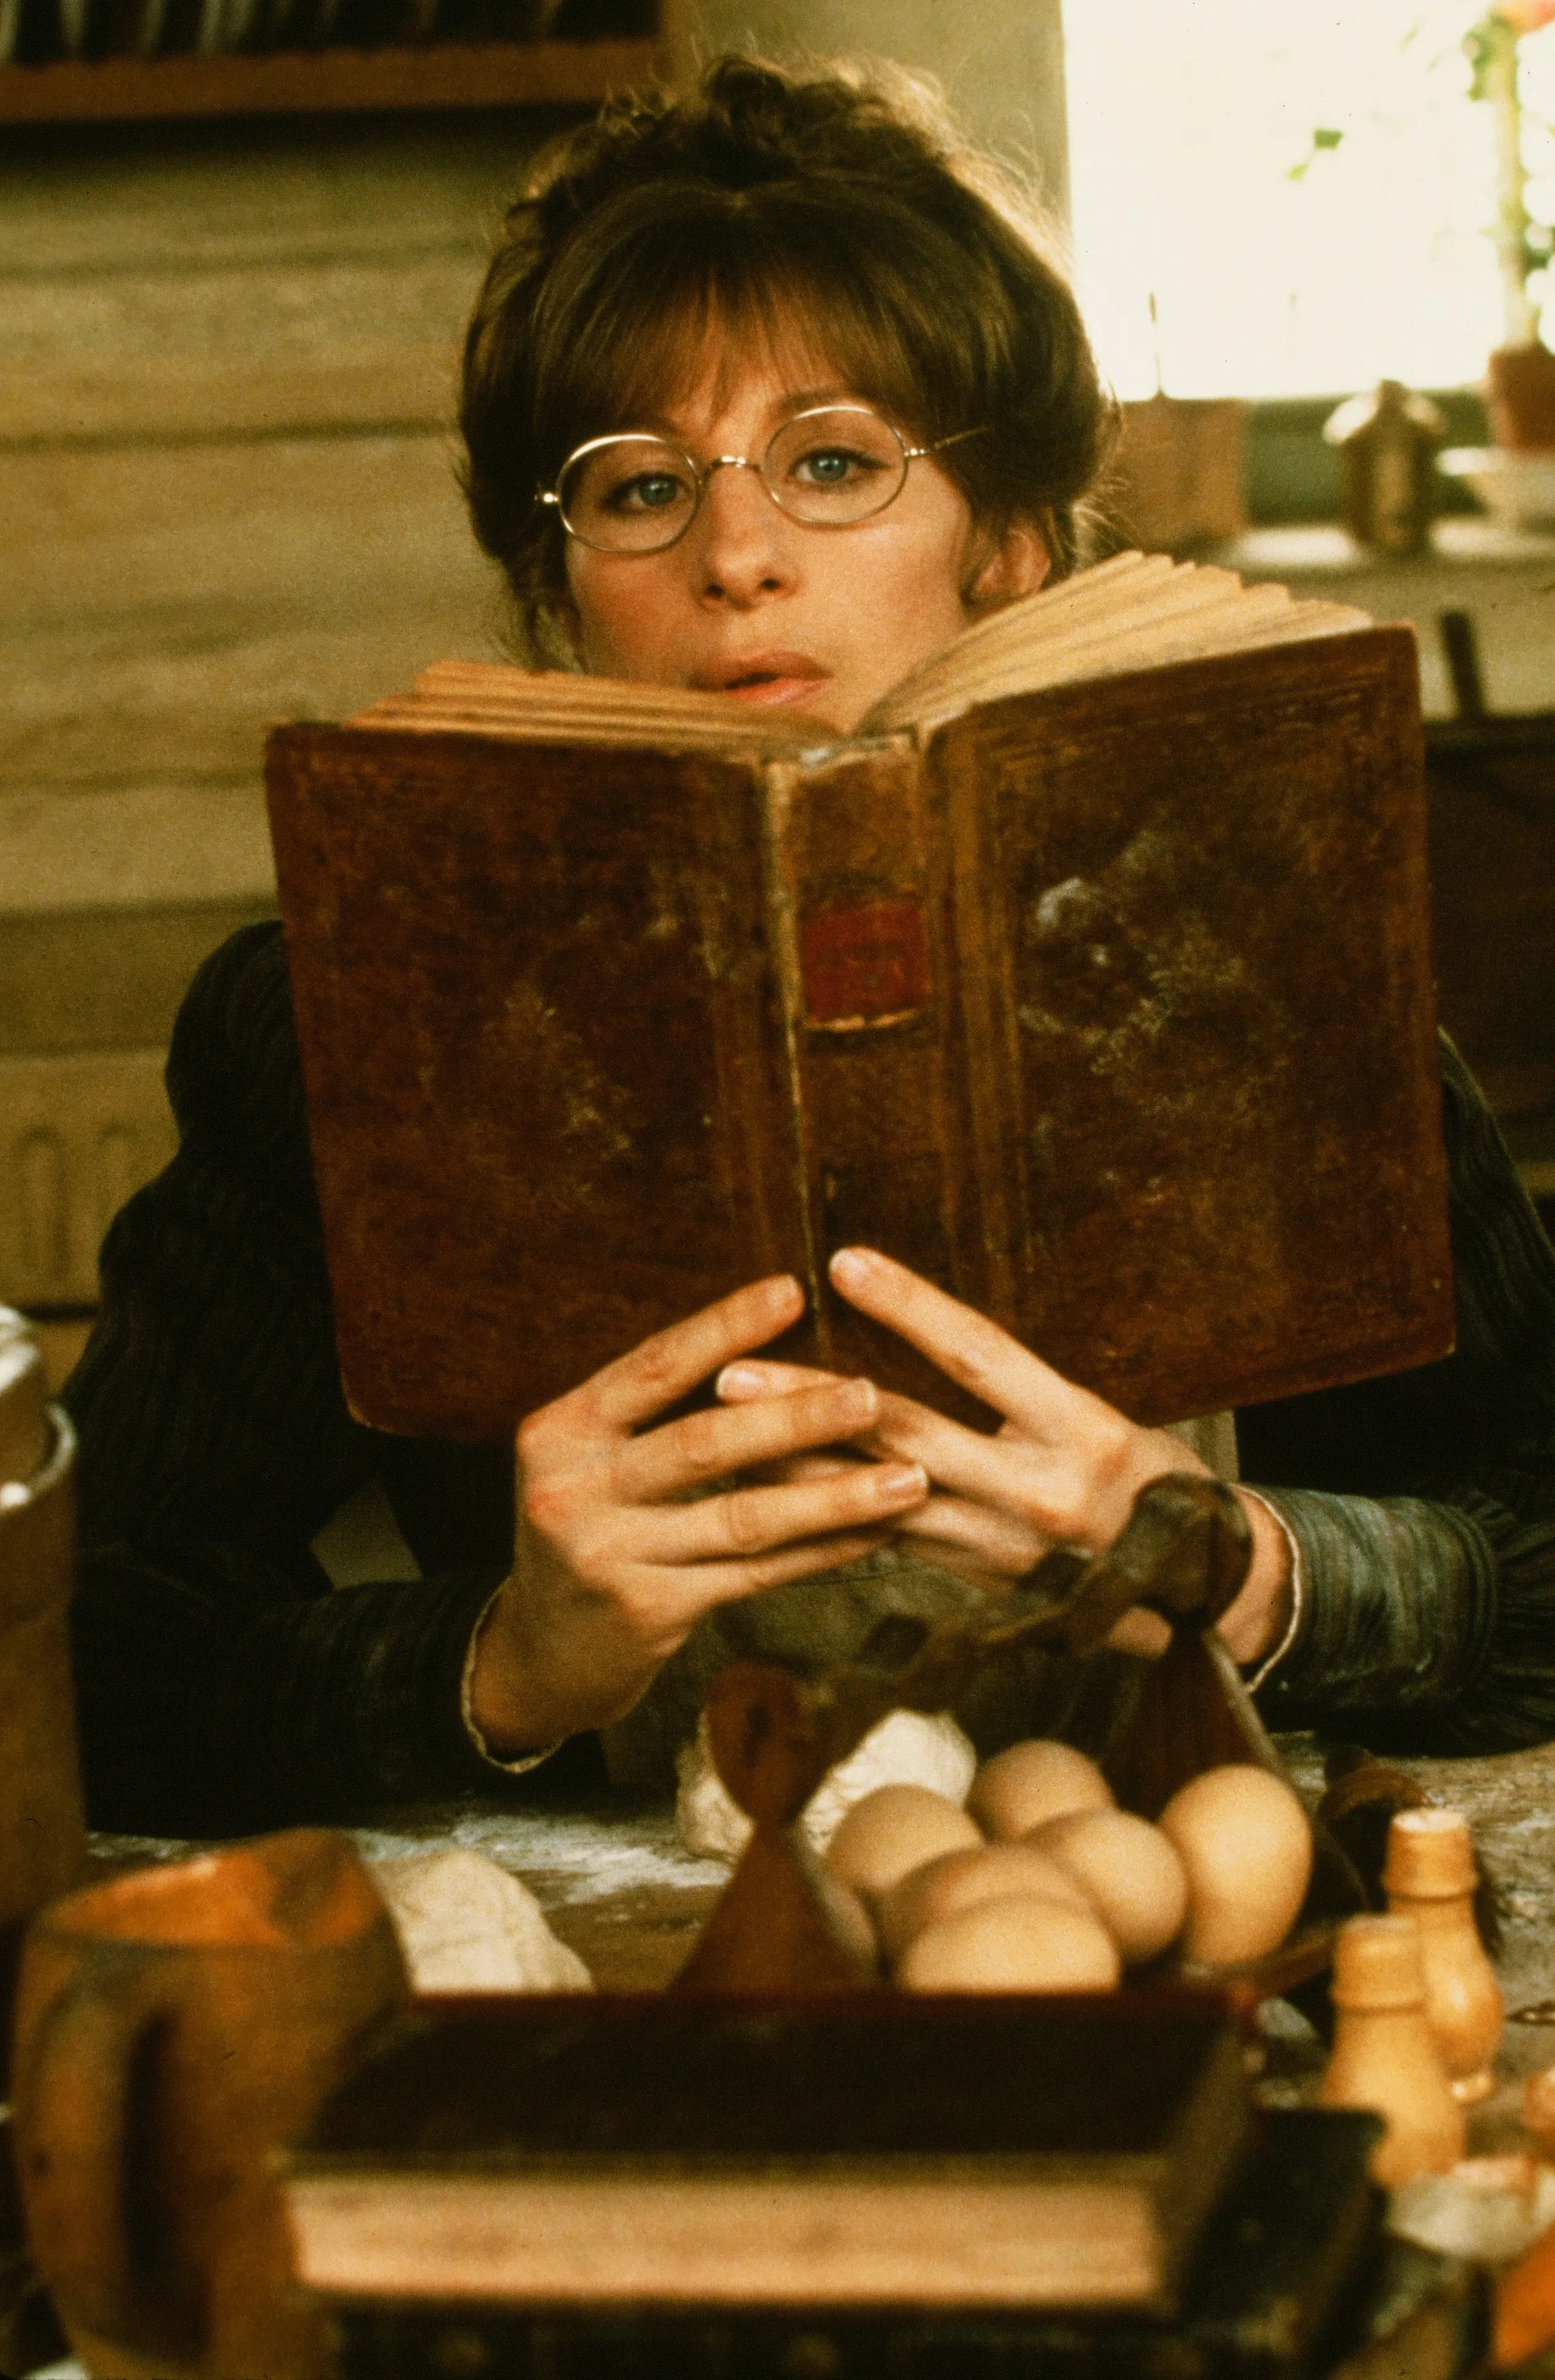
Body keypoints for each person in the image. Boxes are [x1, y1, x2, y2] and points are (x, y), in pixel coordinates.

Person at [64, 55, 1555, 1840]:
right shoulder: (337, 1014)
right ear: (561, 597)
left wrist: (1237, 1563)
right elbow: (97, 1647)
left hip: (1197, 1914)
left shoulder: (1277, 950)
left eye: (833, 461)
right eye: (638, 490)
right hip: (667, 1981)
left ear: (1005, 547)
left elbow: (1540, 1550)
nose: (736, 554)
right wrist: (505, 1659)